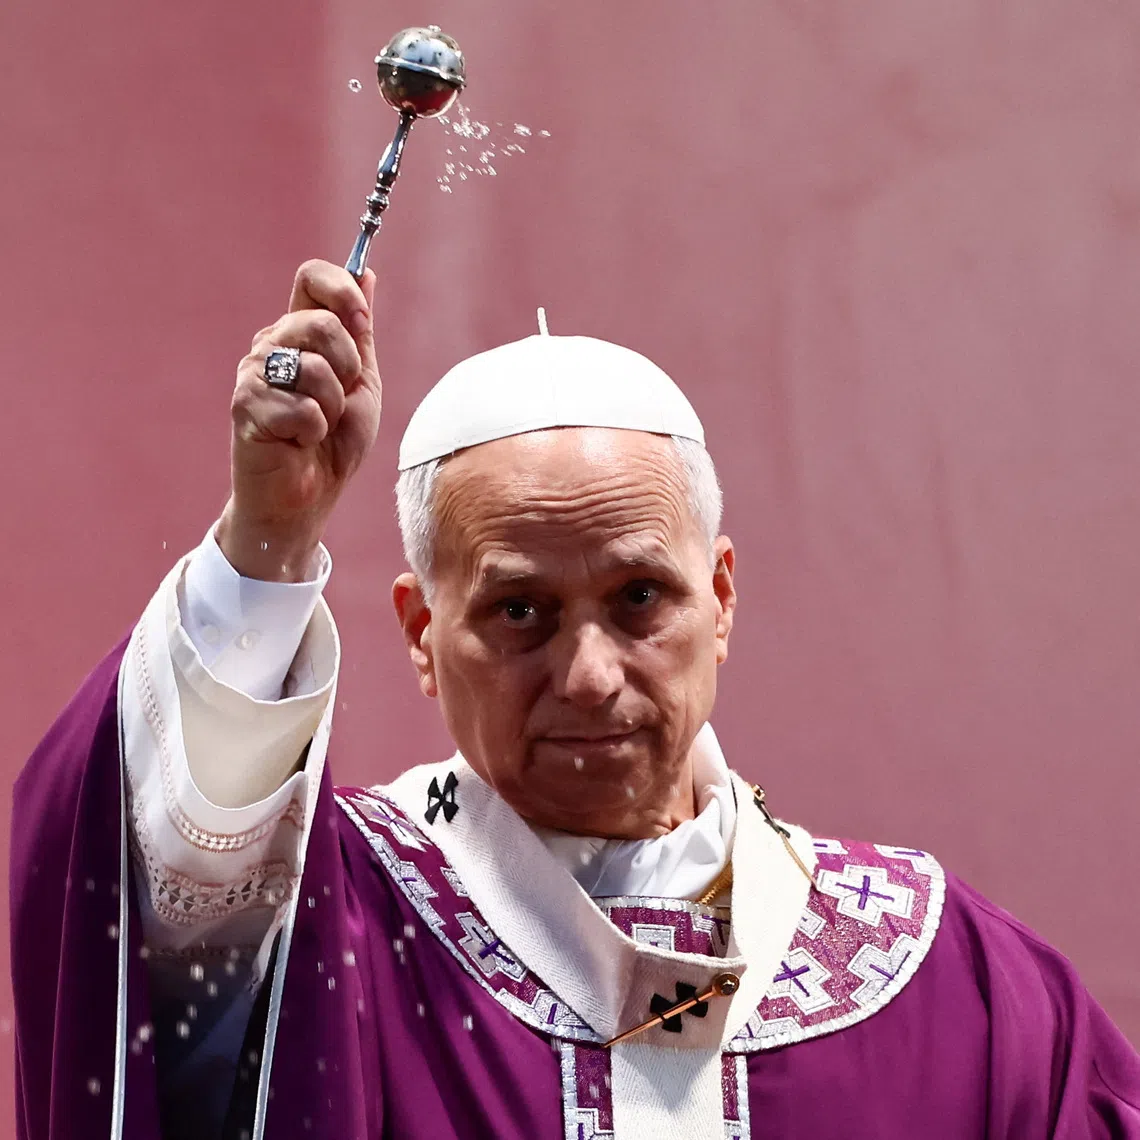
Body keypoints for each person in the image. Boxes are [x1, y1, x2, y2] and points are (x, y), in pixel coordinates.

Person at [11, 260, 1140, 1140]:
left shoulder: (956, 990)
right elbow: (130, 876)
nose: (590, 675)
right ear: (419, 630)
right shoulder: (323, 921)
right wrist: (267, 537)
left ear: (723, 596)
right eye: (520, 614)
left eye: (640, 597)